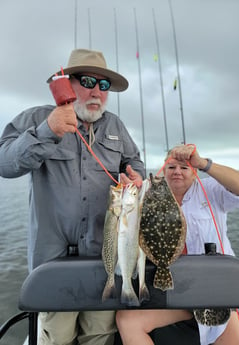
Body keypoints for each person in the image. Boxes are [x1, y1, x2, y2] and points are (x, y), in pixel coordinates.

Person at [0, 49, 145, 345]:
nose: (96, 91)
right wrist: (47, 131)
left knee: (100, 333)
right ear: (68, 83)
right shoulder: (37, 117)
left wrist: (136, 176)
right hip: (52, 261)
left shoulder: (116, 125)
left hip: (103, 257)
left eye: (104, 86)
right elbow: (4, 162)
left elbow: (135, 162)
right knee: (56, 337)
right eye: (88, 81)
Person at [116, 144, 239, 345]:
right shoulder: (148, 190)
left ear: (195, 171)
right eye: (171, 167)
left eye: (185, 167)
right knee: (126, 320)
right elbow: (125, 217)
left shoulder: (211, 190)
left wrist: (204, 163)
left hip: (214, 289)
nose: (177, 172)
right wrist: (131, 191)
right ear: (163, 170)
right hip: (172, 289)